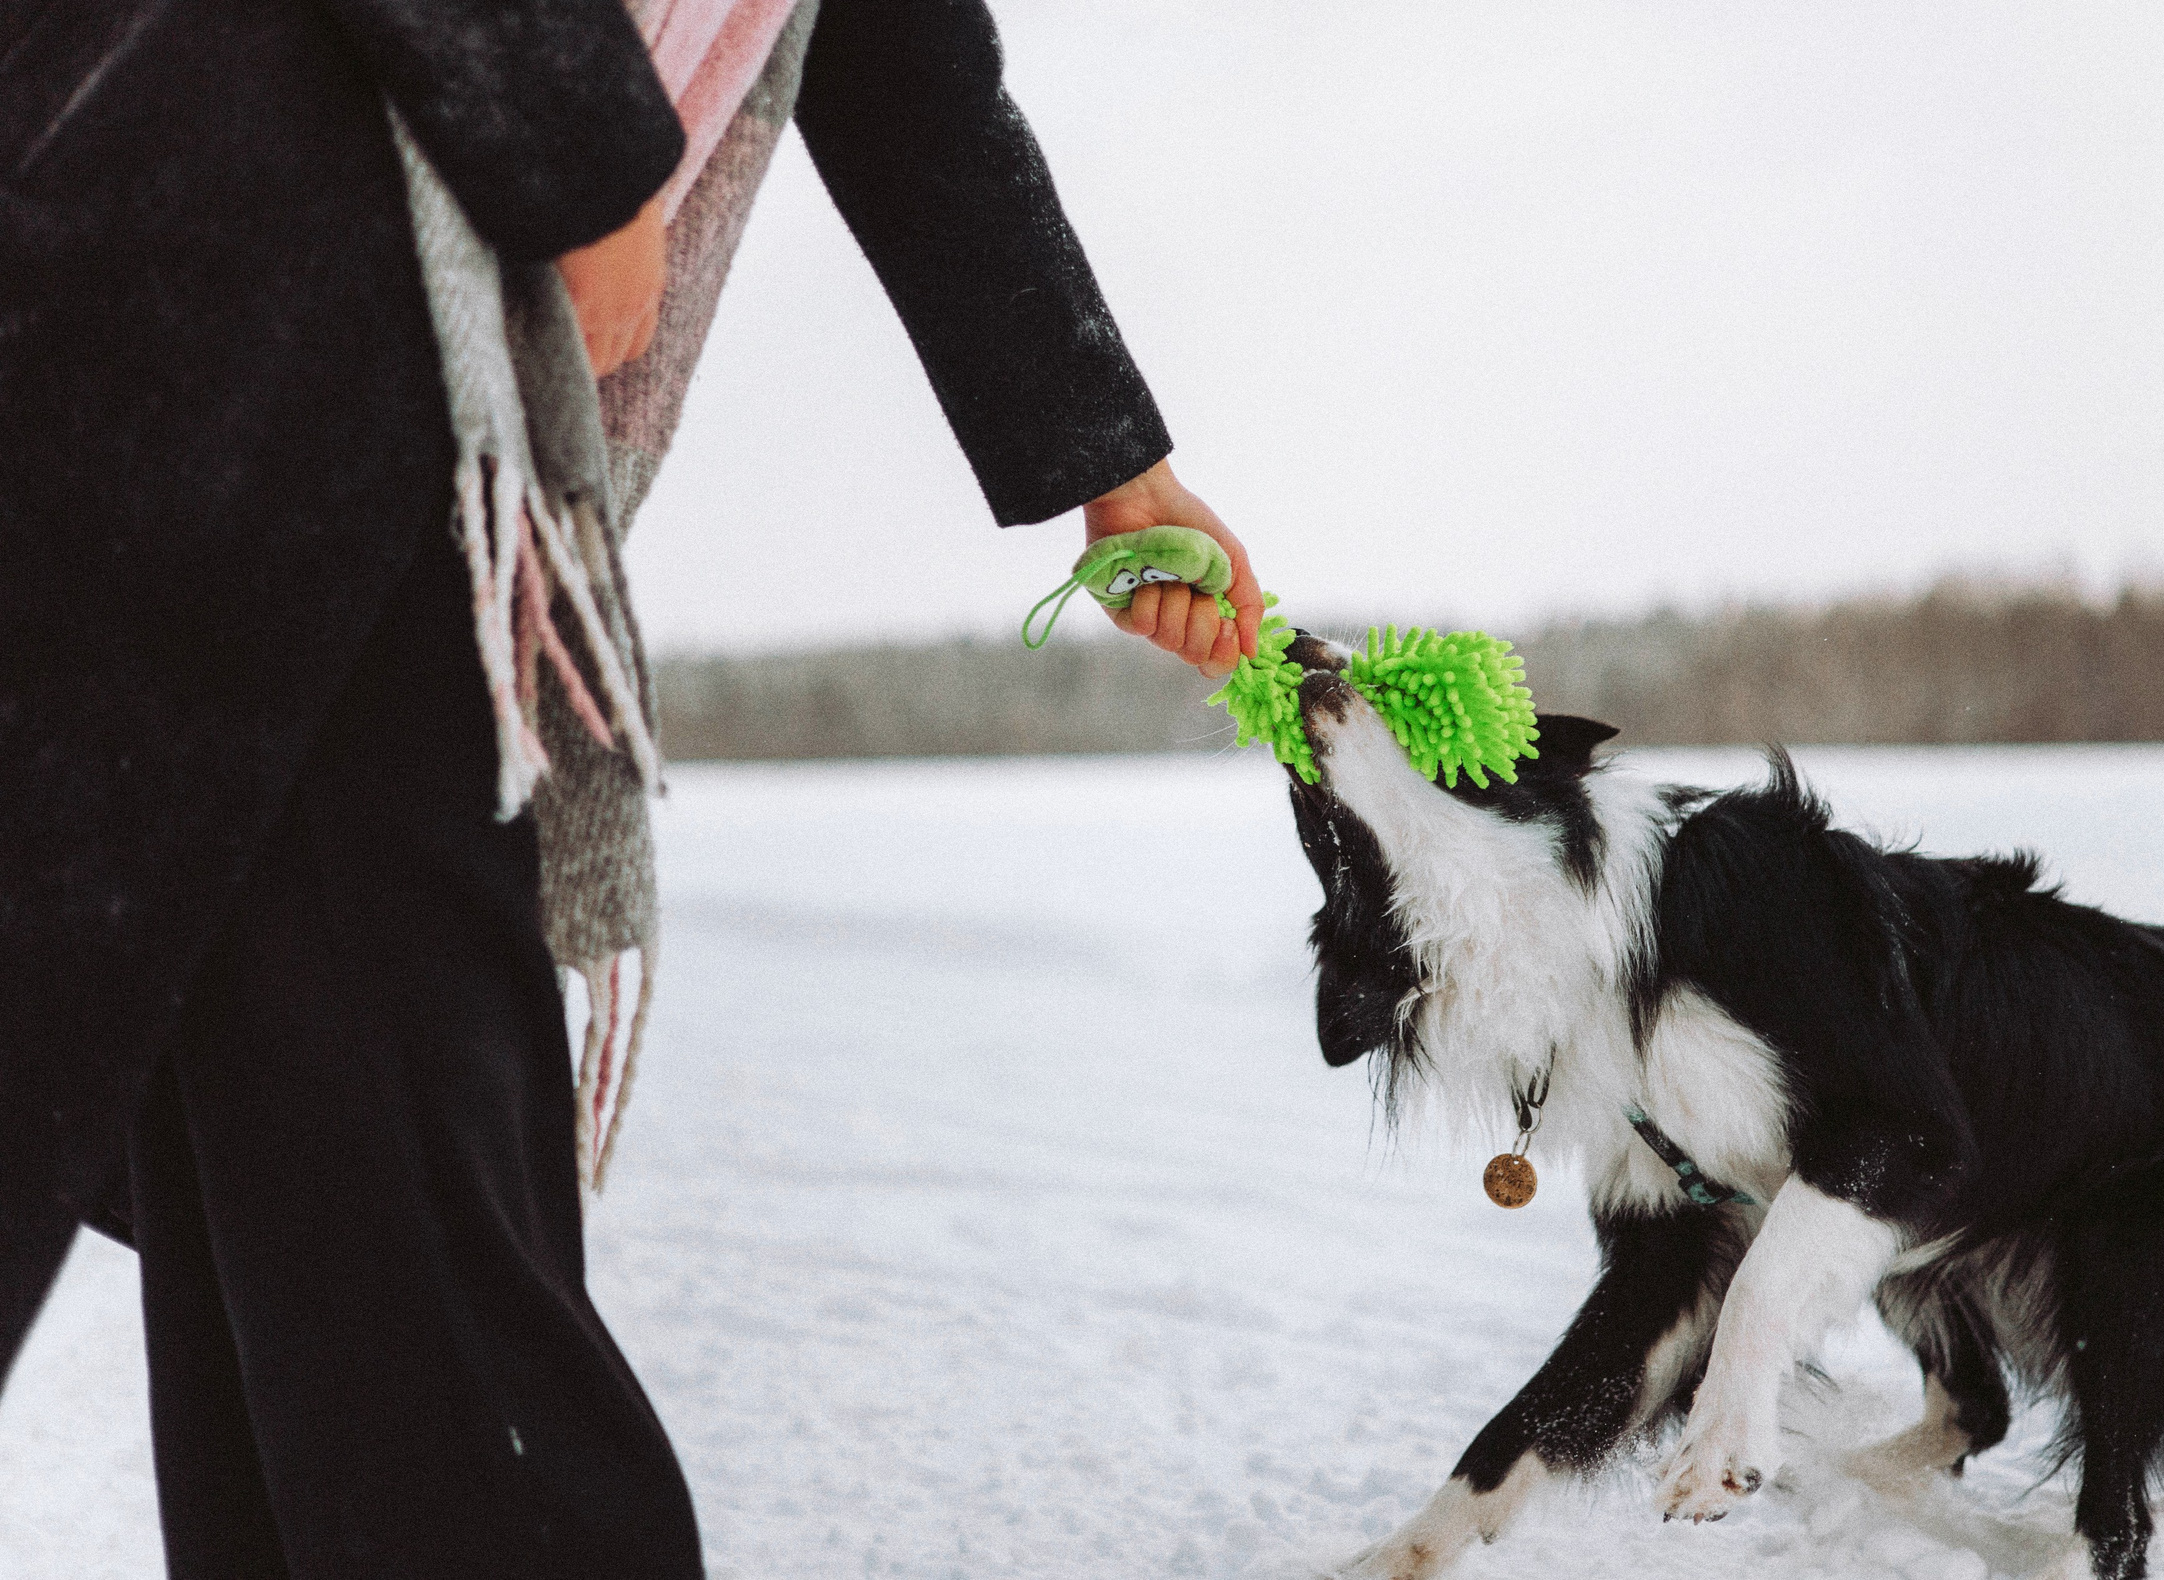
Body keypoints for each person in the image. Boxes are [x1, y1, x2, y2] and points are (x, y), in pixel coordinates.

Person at [0, 0, 1253, 1573]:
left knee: (308, 1239)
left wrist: (1111, 461)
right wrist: (575, 145)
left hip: (340, 387)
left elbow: (900, 52)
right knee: (408, 1263)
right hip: (219, 307)